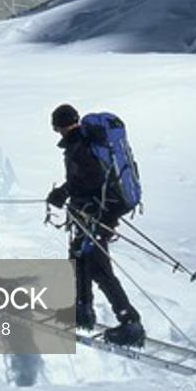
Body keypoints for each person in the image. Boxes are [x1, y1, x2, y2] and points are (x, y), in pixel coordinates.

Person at [47, 103, 145, 348]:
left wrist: (65, 194)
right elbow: (85, 178)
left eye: (57, 128)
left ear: (59, 127)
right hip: (99, 211)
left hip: (97, 213)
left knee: (97, 266)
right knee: (79, 256)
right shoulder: (87, 142)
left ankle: (130, 323)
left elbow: (89, 180)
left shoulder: (79, 146)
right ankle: (82, 310)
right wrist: (67, 193)